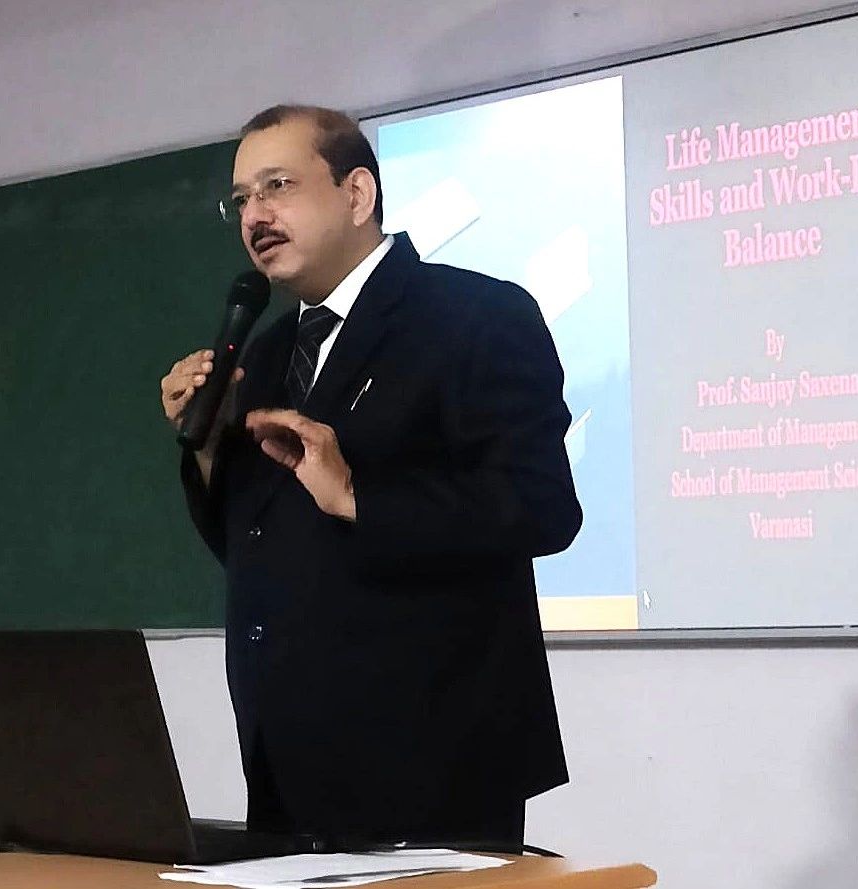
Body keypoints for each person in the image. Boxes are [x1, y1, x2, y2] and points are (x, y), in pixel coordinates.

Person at [160, 104, 582, 852]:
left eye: (277, 186)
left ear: (356, 193)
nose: (255, 215)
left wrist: (359, 497)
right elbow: (256, 545)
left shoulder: (475, 316)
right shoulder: (264, 351)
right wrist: (204, 448)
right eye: (241, 199)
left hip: (434, 759)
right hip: (285, 756)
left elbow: (542, 507)